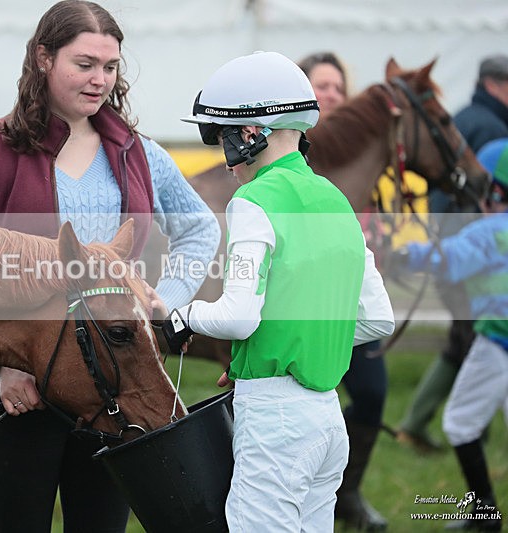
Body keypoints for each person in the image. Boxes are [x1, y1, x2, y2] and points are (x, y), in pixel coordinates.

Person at [0, 2, 220, 532]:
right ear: (43, 58)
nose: (100, 80)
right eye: (85, 63)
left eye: (111, 67)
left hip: (114, 386)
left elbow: (200, 229)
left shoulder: (139, 153)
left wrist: (164, 299)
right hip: (20, 392)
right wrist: (5, 365)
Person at [164, 51, 395, 531]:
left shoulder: (251, 200)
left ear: (252, 134)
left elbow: (237, 317)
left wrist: (184, 316)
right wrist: (289, 346)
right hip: (328, 420)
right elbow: (377, 318)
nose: (226, 164)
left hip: (276, 423)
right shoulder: (336, 199)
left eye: (223, 142)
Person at [390, 137, 508, 531]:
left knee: (459, 421)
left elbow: (449, 257)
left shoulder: (489, 231)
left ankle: (484, 513)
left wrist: (401, 256)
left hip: (497, 342)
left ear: (493, 190)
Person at [395, 54, 508, 454]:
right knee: (464, 341)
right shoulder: (492, 128)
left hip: (458, 249)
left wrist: (411, 254)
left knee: (464, 344)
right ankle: (421, 422)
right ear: (498, 84)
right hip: (464, 250)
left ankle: (427, 424)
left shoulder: (460, 116)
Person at [299, 51, 391, 530]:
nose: (331, 94)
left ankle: (346, 493)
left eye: (338, 87)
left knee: (373, 393)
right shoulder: (289, 154)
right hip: (307, 304)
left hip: (352, 301)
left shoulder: (362, 157)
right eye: (321, 86)